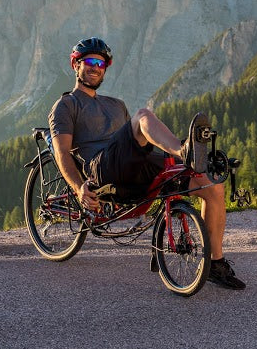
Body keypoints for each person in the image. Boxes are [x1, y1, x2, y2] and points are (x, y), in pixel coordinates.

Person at [48, 37, 245, 289]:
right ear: (76, 65)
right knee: (143, 116)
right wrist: (78, 188)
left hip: (132, 168)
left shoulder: (116, 105)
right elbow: (62, 153)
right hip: (102, 170)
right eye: (89, 62)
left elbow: (133, 143)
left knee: (212, 186)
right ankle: (184, 150)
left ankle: (215, 263)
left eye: (100, 63)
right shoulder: (66, 105)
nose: (95, 67)